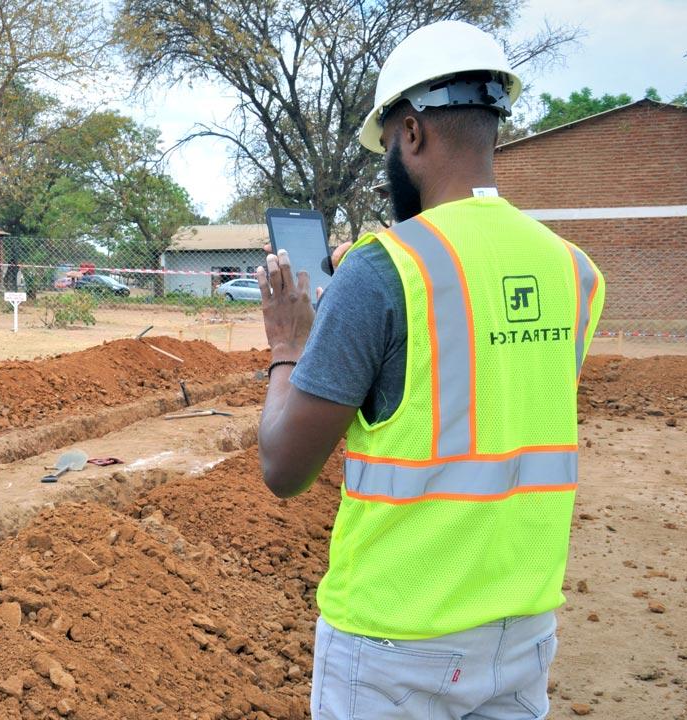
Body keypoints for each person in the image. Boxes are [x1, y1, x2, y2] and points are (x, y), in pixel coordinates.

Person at [255, 21, 605, 719]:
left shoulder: (384, 269)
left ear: (411, 133)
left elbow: (284, 467)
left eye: (386, 144)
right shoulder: (575, 271)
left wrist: (289, 346)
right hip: (520, 633)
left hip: (395, 644)